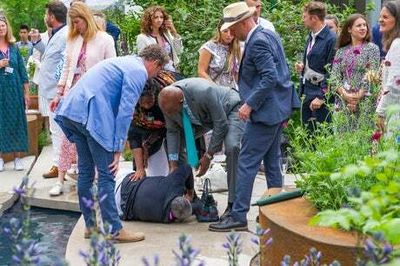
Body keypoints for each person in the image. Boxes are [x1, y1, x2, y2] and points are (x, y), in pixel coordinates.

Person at [54, 44, 169, 242]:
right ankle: (114, 230)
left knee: (86, 172)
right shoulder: (138, 71)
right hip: (90, 114)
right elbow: (126, 110)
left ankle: (91, 226)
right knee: (107, 173)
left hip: (73, 110)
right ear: (156, 63)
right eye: (158, 70)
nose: (154, 76)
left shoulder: (124, 62)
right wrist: (117, 147)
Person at [208, 2, 300, 232]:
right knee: (271, 164)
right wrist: (286, 107)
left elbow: (270, 77)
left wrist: (249, 104)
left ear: (242, 23)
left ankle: (238, 215)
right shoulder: (268, 34)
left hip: (265, 113)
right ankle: (276, 213)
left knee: (246, 163)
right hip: (276, 110)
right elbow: (283, 73)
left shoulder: (257, 41)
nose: (230, 32)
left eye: (232, 27)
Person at [48, 1, 116, 196]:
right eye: (73, 23)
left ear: (86, 18)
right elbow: (67, 69)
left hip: (94, 97)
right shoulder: (73, 39)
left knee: (92, 137)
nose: (75, 26)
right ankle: (60, 180)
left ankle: (93, 180)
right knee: (66, 138)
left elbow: (111, 70)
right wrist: (59, 94)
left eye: (77, 22)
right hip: (73, 95)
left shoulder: (105, 40)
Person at [158, 77, 244, 220]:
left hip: (229, 109)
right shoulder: (167, 101)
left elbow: (221, 124)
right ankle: (189, 195)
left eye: (173, 111)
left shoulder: (204, 91)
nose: (170, 115)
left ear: (181, 101)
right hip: (201, 119)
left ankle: (233, 204)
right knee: (174, 146)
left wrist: (208, 156)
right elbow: (172, 131)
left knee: (232, 147)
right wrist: (173, 165)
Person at [30, 0, 68, 179]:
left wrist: (59, 85)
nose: (45, 18)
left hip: (57, 92)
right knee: (56, 129)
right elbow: (50, 56)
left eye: (46, 14)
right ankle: (59, 163)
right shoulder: (56, 34)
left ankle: (59, 165)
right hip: (51, 90)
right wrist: (37, 42)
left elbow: (64, 62)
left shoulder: (66, 34)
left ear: (52, 17)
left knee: (59, 130)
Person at [128, 70, 179, 180]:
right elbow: (133, 135)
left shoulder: (165, 98)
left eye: (149, 102)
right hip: (149, 122)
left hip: (171, 121)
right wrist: (140, 169)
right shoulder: (132, 105)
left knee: (176, 159)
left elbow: (170, 129)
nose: (146, 106)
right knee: (141, 164)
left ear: (154, 96)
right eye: (143, 103)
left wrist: (148, 143)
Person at [294, 1, 336, 131]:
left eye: (305, 16)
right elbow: (316, 70)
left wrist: (321, 97)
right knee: (308, 139)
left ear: (314, 18)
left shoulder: (331, 39)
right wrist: (304, 70)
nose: (303, 19)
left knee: (321, 139)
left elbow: (333, 73)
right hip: (306, 93)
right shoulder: (310, 37)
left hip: (319, 99)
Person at [331, 14, 380, 113]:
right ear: (349, 29)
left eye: (364, 25)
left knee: (364, 128)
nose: (363, 28)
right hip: (343, 102)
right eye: (359, 26)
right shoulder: (341, 51)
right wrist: (345, 95)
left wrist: (356, 97)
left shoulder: (372, 48)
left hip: (365, 102)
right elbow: (334, 77)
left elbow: (372, 75)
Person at [0, 15, 30, 172]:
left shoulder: (14, 48)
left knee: (17, 122)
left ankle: (17, 157)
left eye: (3, 25)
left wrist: (26, 93)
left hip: (15, 91)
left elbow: (23, 72)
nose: (1, 28)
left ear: (7, 28)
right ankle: (1, 159)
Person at [115, 164, 194, 223]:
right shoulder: (165, 218)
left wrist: (190, 193)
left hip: (128, 182)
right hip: (121, 207)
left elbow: (187, 168)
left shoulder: (174, 184)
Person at [376, 1, 400, 134]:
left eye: (385, 17)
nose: (380, 20)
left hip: (395, 113)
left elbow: (395, 84)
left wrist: (381, 112)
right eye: (380, 16)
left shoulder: (397, 44)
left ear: (397, 21)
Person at [137, 6, 182, 72]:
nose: (159, 20)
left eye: (161, 17)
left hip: (173, 71)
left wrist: (174, 32)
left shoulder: (166, 34)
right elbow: (143, 60)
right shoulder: (142, 37)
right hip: (156, 74)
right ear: (149, 19)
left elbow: (179, 50)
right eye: (156, 17)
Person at [198, 19, 241, 89]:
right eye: (225, 31)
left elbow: (236, 75)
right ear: (219, 31)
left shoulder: (236, 48)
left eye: (232, 31)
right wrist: (215, 89)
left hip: (231, 92)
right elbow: (201, 72)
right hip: (213, 91)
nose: (229, 35)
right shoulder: (209, 47)